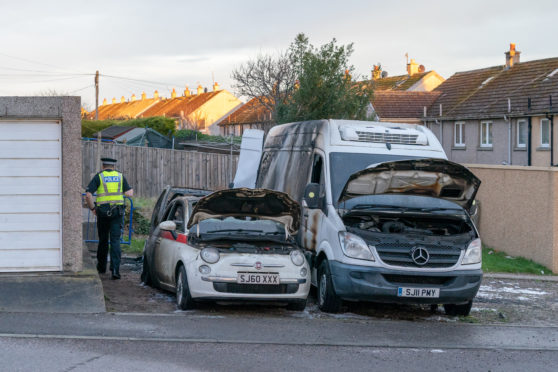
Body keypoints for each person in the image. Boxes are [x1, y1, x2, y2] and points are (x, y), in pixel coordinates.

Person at [85, 157, 133, 279]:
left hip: (102, 212)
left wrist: (92, 208)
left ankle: (101, 268)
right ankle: (115, 270)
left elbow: (88, 194)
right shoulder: (120, 176)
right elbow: (129, 193)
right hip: (117, 212)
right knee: (116, 241)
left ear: (103, 166)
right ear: (113, 167)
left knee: (103, 240)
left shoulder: (99, 176)